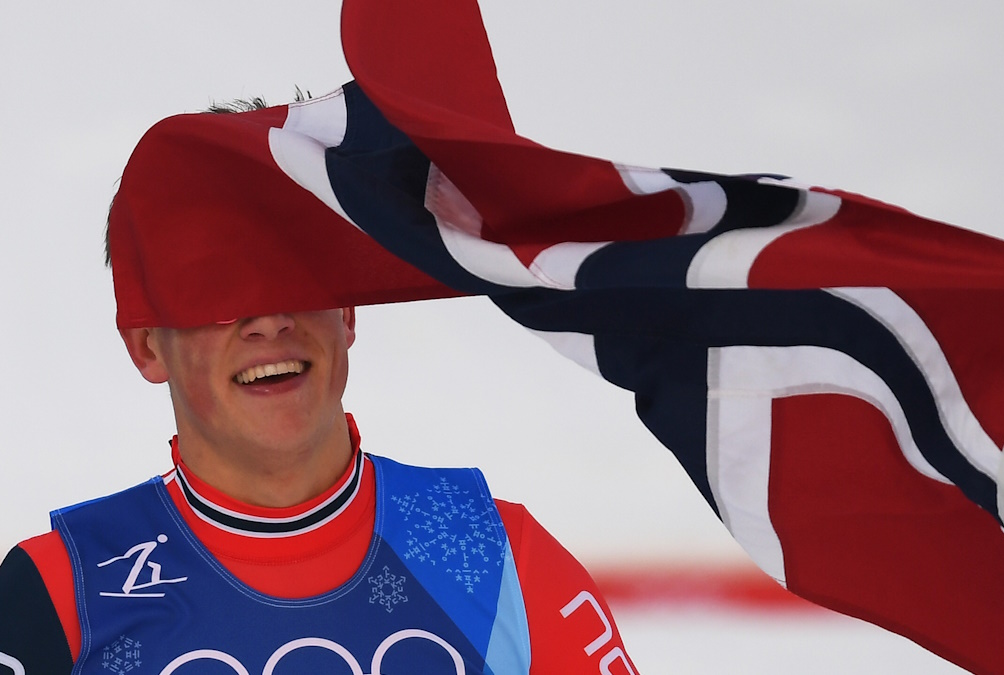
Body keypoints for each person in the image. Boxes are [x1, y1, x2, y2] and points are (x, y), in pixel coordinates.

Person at [0, 139, 638, 672]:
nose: (270, 318)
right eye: (216, 284)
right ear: (147, 346)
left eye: (295, 269)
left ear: (347, 310)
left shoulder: (494, 553)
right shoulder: (60, 592)